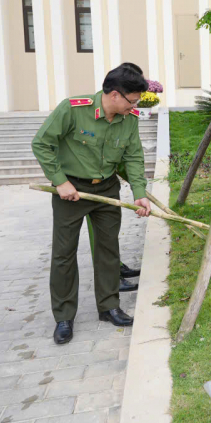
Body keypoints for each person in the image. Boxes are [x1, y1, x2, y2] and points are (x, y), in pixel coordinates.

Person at [32, 63, 151, 345]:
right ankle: (64, 316)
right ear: (114, 95)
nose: (134, 106)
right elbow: (41, 143)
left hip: (107, 189)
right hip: (71, 191)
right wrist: (60, 181)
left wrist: (139, 191)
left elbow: (133, 156)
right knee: (64, 253)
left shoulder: (129, 119)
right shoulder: (73, 110)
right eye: (132, 100)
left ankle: (109, 306)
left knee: (108, 249)